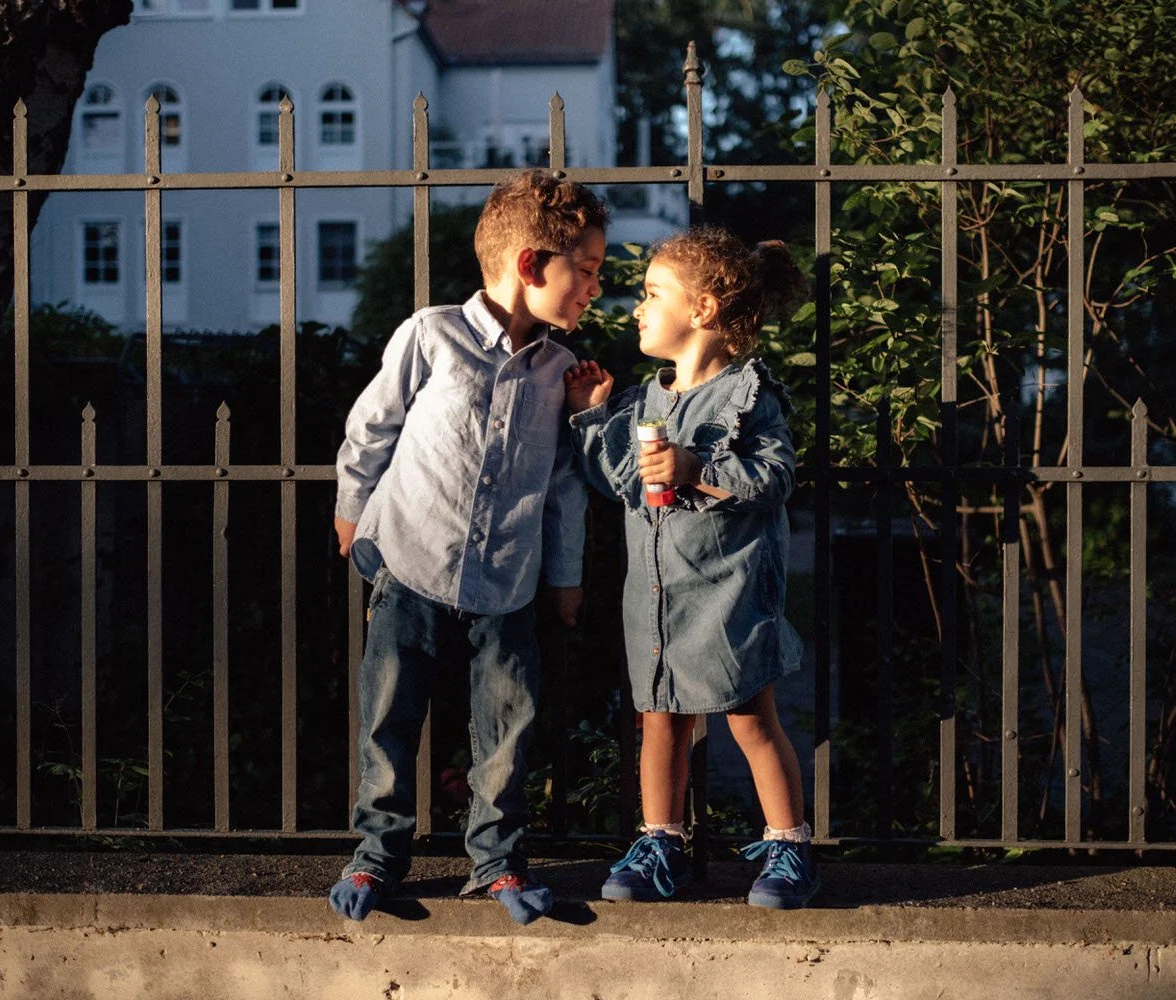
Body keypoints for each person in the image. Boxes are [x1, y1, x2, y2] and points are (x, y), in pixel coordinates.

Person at [327, 169, 607, 926]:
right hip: (410, 564)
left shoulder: (559, 372)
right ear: (529, 265)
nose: (594, 290)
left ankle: (496, 863)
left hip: (508, 585)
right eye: (585, 272)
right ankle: (377, 857)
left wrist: (565, 577)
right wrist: (354, 514)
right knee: (388, 717)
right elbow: (371, 428)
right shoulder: (431, 334)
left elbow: (563, 489)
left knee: (507, 729)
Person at [564, 226, 818, 910]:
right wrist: (591, 418)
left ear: (701, 310)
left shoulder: (747, 393)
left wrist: (697, 468)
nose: (637, 307)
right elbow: (619, 480)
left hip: (725, 594)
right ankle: (660, 845)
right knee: (659, 720)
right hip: (655, 596)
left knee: (749, 719)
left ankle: (789, 846)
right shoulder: (647, 400)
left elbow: (775, 477)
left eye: (652, 294)